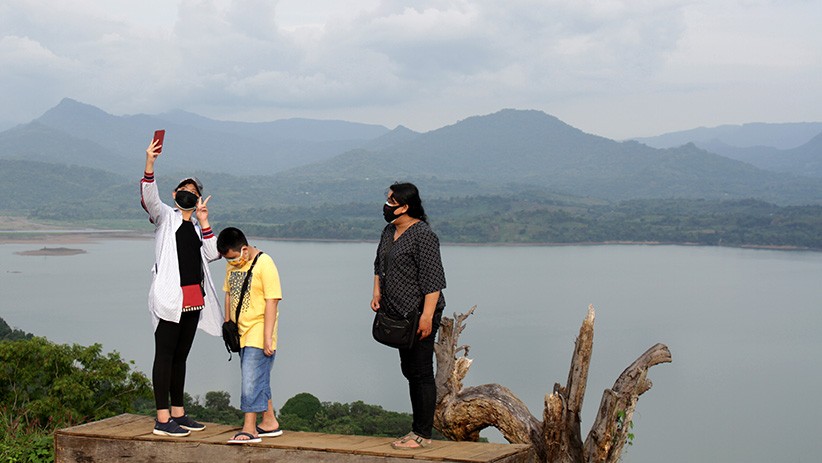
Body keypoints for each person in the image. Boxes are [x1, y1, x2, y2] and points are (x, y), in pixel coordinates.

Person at [141, 136, 224, 437]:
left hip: (193, 300)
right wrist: (150, 164)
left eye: (194, 192)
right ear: (175, 194)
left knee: (180, 357)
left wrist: (204, 220)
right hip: (169, 299)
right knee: (164, 356)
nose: (189, 194)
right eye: (184, 190)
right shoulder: (166, 218)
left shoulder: (195, 227)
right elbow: (149, 197)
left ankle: (179, 412)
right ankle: (162, 419)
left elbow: (213, 253)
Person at [371, 182, 446, 450]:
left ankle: (422, 434)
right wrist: (376, 292)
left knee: (421, 371)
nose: (387, 205)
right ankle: (417, 430)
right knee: (410, 370)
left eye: (392, 201)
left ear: (405, 206)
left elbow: (433, 281)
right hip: (397, 313)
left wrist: (427, 317)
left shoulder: (423, 235)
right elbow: (379, 264)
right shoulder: (389, 231)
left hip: (419, 314)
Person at [217, 227, 283, 444]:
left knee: (250, 380)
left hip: (258, 330)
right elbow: (228, 293)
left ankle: (249, 428)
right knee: (258, 377)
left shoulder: (265, 264)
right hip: (241, 332)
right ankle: (270, 421)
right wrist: (228, 325)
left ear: (244, 249)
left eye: (233, 258)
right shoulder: (232, 265)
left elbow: (272, 301)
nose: (231, 262)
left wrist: (267, 338)